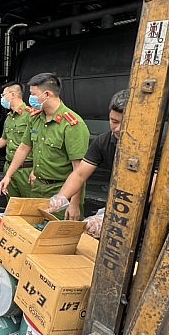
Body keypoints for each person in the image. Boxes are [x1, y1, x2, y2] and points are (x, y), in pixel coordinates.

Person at [0, 73, 89, 220]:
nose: (30, 98)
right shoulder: (35, 118)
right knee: (34, 230)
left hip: (61, 192)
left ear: (47, 94)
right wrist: (8, 175)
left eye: (33, 94)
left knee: (56, 238)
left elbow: (79, 171)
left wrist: (74, 203)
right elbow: (23, 148)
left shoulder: (72, 125)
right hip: (38, 188)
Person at [46, 90, 130, 237]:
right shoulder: (103, 141)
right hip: (118, 204)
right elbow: (79, 174)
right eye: (113, 121)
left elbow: (152, 189)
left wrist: (109, 217)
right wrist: (61, 197)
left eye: (124, 123)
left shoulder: (155, 145)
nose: (116, 129)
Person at [0, 82, 39, 198]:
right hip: (9, 167)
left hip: (26, 169)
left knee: (29, 206)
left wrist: (36, 169)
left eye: (3, 95)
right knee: (12, 206)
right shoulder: (9, 118)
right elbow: (4, 140)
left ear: (12, 95)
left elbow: (37, 145)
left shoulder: (30, 116)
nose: (2, 98)